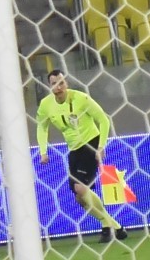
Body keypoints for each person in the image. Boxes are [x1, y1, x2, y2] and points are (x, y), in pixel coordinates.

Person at [33, 67, 128, 242]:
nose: (58, 87)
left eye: (61, 83)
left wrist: (101, 146)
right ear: (49, 86)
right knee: (80, 198)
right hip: (74, 150)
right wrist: (43, 151)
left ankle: (109, 226)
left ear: (66, 83)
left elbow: (103, 120)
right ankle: (113, 226)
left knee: (80, 188)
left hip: (91, 143)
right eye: (54, 84)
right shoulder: (46, 105)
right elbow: (42, 127)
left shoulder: (81, 99)